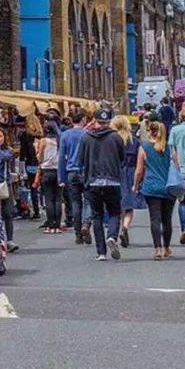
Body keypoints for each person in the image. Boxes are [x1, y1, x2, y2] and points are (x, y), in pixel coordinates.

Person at [80, 107, 125, 261]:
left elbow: (81, 160)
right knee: (114, 212)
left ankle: (101, 252)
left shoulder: (86, 138)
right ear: (109, 121)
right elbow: (122, 158)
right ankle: (111, 236)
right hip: (112, 180)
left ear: (96, 121)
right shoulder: (116, 137)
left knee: (97, 215)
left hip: (93, 180)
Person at [135, 116, 182, 259]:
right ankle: (167, 247)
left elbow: (139, 170)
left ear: (150, 131)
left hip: (151, 187)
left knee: (154, 218)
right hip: (168, 187)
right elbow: (177, 167)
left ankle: (158, 249)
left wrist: (135, 185)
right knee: (166, 219)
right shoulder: (169, 147)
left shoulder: (144, 147)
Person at [58, 109, 89, 243]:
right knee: (88, 201)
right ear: (83, 120)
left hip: (71, 171)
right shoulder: (88, 134)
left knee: (75, 203)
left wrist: (61, 177)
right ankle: (86, 224)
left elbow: (61, 157)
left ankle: (77, 234)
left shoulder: (65, 135)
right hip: (86, 171)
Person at [116, 113, 145, 247]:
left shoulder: (113, 140)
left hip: (115, 173)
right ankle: (125, 227)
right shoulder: (134, 141)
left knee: (117, 204)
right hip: (130, 173)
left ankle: (118, 229)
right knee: (129, 206)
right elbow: (141, 162)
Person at [167, 104, 185, 246]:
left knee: (182, 201)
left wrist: (177, 168)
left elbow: (173, 152)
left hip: (182, 170)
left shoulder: (175, 130)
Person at [0, 127, 17, 254]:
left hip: (5, 185)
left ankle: (9, 240)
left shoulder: (8, 151)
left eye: (0, 136)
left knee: (7, 213)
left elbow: (5, 158)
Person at [36, 121, 61, 232]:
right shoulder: (59, 141)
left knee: (49, 198)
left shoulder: (43, 141)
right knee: (58, 199)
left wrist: (36, 151)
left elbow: (40, 158)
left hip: (46, 171)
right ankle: (58, 225)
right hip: (58, 171)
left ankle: (50, 225)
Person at [19, 115, 43, 219]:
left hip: (30, 163)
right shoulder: (41, 135)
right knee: (40, 187)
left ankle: (36, 210)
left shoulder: (25, 135)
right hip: (41, 163)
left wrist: (21, 161)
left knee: (32, 186)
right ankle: (42, 205)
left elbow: (22, 151)